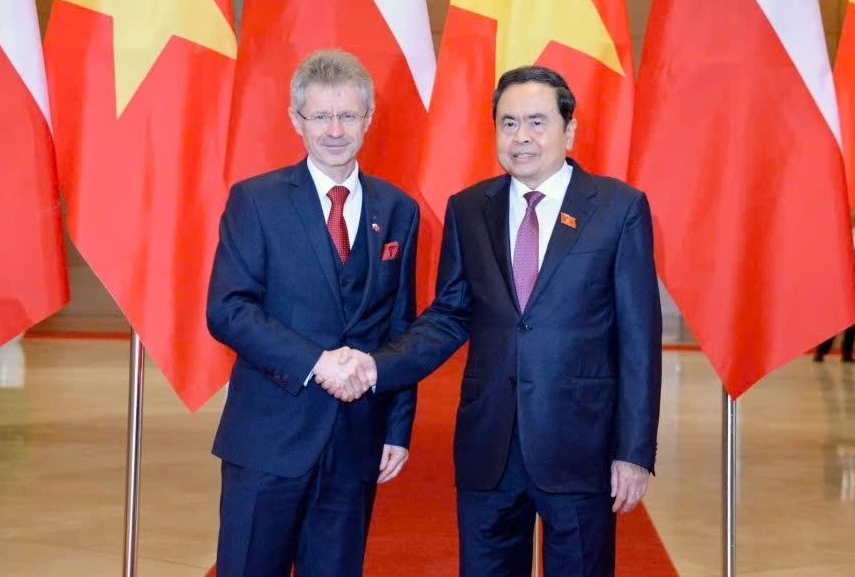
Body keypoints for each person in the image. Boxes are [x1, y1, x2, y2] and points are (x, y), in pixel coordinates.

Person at [318, 65, 662, 577]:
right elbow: (451, 314)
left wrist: (634, 451)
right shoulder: (469, 208)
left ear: (569, 130)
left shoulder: (618, 208)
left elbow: (640, 339)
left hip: (580, 444)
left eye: (537, 122)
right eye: (508, 123)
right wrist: (376, 367)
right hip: (488, 442)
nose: (521, 136)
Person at [205, 49, 420, 577]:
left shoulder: (398, 210)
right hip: (268, 439)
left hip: (356, 441)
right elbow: (228, 309)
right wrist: (316, 362)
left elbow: (401, 326)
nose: (334, 130)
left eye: (347, 115)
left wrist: (396, 427)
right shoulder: (255, 201)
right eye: (319, 115)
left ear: (368, 119)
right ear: (295, 120)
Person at [814, 222, 855, 363]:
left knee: (854, 320)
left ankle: (847, 353)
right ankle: (822, 350)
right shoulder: (837, 232)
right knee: (832, 319)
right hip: (837, 283)